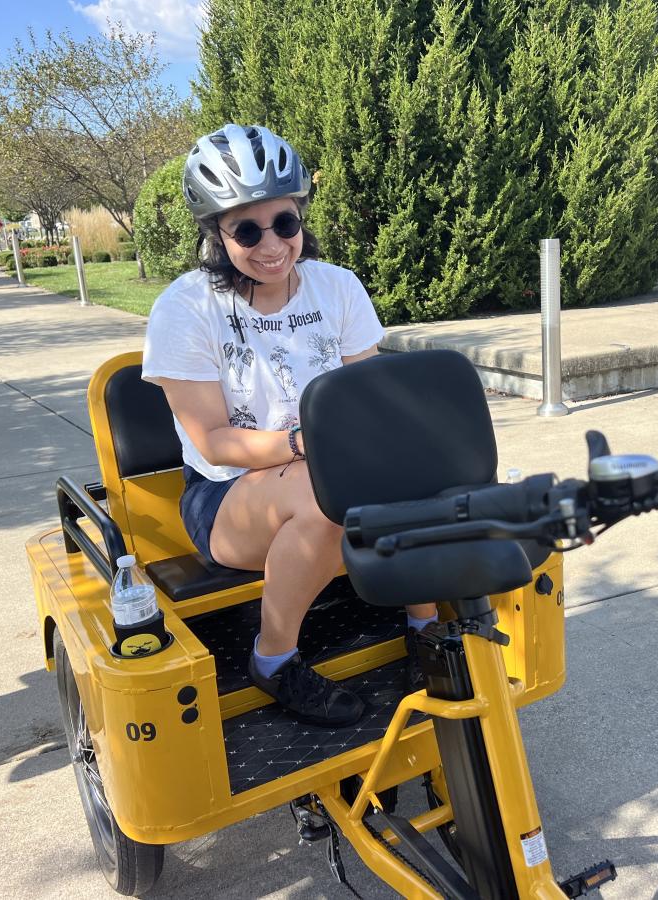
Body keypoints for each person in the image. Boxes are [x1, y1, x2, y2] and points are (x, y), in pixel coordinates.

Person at [142, 124, 438, 728]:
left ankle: (425, 630)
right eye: (246, 230)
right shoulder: (187, 306)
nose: (271, 243)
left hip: (335, 468)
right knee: (324, 496)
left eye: (285, 223)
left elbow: (369, 399)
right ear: (215, 235)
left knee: (422, 468)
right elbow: (214, 442)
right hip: (226, 495)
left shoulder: (337, 287)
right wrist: (307, 444)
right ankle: (273, 660)